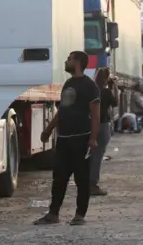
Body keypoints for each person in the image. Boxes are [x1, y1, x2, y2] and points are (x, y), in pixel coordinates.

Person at [34, 50, 100, 226]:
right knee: (59, 178)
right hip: (64, 139)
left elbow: (95, 115)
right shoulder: (68, 83)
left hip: (81, 139)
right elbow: (62, 111)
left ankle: (79, 215)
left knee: (82, 179)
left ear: (77, 62)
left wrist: (93, 139)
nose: (66, 61)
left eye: (69, 59)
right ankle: (53, 214)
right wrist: (48, 129)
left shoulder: (89, 86)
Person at [90, 67, 119, 196]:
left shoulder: (92, 91)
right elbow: (116, 103)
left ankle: (87, 182)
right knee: (98, 156)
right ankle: (93, 185)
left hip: (90, 125)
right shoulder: (107, 92)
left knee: (91, 156)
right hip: (103, 126)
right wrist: (116, 87)